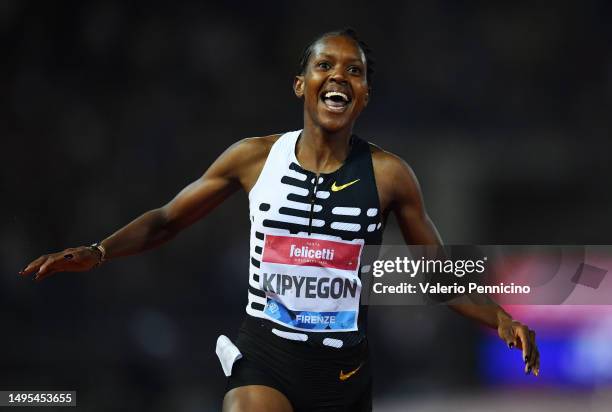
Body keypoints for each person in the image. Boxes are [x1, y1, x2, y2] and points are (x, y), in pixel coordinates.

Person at [20, 28, 540, 412]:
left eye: (353, 70)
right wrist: (100, 250)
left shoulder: (390, 176)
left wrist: (500, 317)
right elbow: (167, 220)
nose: (339, 75)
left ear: (365, 95)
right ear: (301, 85)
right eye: (325, 66)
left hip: (344, 370)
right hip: (265, 353)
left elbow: (434, 275)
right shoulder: (252, 158)